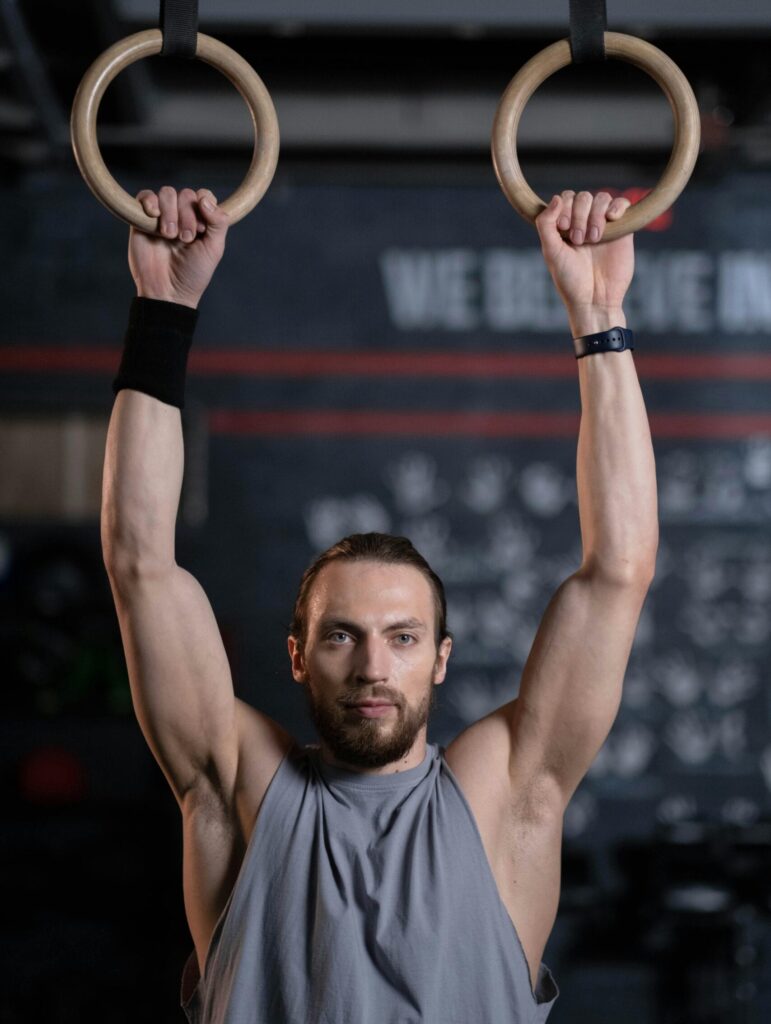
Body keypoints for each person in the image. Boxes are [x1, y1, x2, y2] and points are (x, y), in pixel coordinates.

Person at [101, 185, 657, 1024]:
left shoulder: (502, 798)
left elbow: (618, 567)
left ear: (440, 655)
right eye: (340, 637)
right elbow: (138, 561)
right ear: (297, 654)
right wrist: (163, 307)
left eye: (401, 637)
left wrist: (600, 315)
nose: (372, 666)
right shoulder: (242, 794)